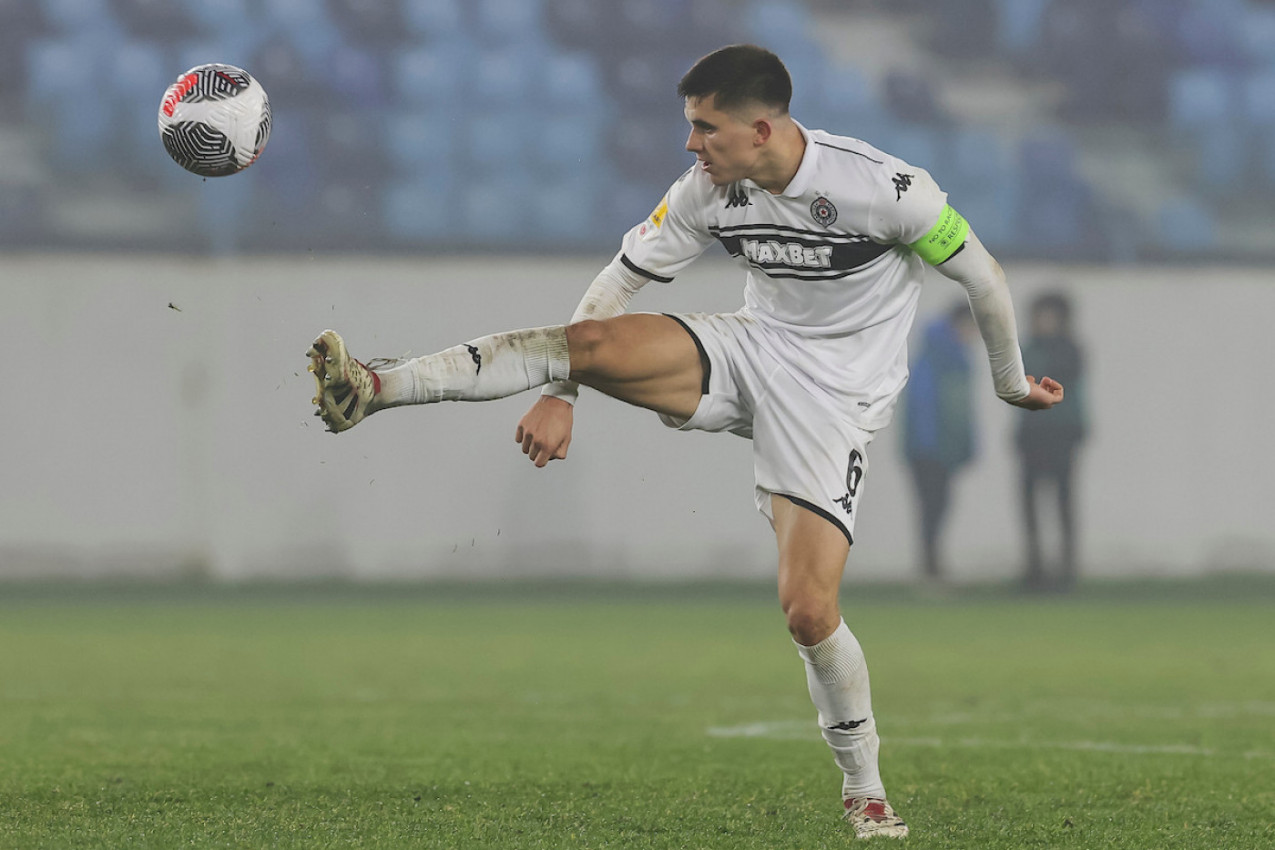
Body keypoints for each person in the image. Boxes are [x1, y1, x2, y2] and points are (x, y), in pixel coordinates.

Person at [306, 44, 1064, 840]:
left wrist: (1010, 382)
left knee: (808, 612)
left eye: (705, 128)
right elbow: (618, 281)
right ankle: (375, 387)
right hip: (750, 348)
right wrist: (563, 391)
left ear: (759, 130)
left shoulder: (886, 188)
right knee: (584, 344)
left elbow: (981, 276)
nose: (691, 144)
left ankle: (864, 789)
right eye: (690, 126)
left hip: (834, 401)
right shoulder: (707, 189)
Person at [1015, 291, 1086, 592]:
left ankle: (1067, 569)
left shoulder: (1070, 351)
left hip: (1061, 435)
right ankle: (1035, 568)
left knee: (1063, 503)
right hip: (1032, 436)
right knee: (1030, 505)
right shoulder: (1027, 349)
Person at [901, 302, 978, 582]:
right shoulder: (933, 360)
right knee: (932, 508)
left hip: (943, 450)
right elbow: (923, 408)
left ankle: (933, 566)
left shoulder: (959, 361)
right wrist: (929, 448)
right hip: (929, 452)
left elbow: (963, 411)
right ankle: (930, 570)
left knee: (939, 507)